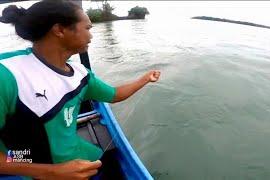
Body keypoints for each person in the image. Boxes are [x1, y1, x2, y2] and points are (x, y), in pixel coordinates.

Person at [0, 0, 160, 179]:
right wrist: (51, 172)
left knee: (110, 164)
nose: (91, 36)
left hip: (79, 157)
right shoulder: (7, 75)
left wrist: (145, 79)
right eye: (88, 28)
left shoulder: (81, 73)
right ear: (60, 30)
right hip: (25, 163)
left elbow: (114, 95)